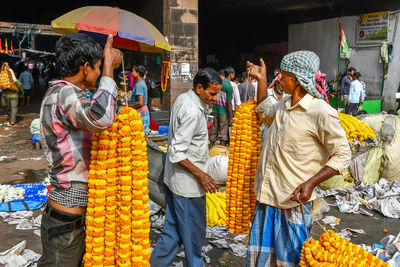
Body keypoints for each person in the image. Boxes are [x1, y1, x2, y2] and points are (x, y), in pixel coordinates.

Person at [246, 51, 351, 266]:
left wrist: (311, 183)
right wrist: (262, 81)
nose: (280, 79)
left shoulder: (320, 112)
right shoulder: (283, 104)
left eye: (284, 76)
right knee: (260, 262)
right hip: (267, 199)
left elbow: (343, 154)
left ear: (297, 79)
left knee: (290, 262)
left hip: (293, 203)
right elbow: (264, 113)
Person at [38, 33, 121, 267]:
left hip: (76, 215)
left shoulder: (71, 95)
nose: (98, 73)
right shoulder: (63, 93)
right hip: (66, 217)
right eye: (96, 68)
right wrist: (108, 68)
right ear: (85, 68)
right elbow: (101, 119)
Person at [150, 68, 222, 267]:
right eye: (212, 93)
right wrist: (203, 176)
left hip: (177, 183)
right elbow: (176, 152)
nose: (215, 98)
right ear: (199, 88)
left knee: (172, 233)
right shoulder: (192, 111)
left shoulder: (185, 98)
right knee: (193, 235)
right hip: (188, 187)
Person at [209, 69, 233, 148]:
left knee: (214, 129)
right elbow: (229, 103)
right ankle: (220, 151)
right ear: (230, 75)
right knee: (223, 132)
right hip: (224, 112)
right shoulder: (229, 86)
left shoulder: (218, 83)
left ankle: (211, 147)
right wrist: (231, 117)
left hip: (215, 109)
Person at [128, 64, 150, 136]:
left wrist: (129, 106)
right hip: (143, 111)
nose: (131, 73)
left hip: (140, 112)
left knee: (140, 135)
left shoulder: (139, 85)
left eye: (133, 71)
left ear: (137, 73)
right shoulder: (141, 83)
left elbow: (140, 102)